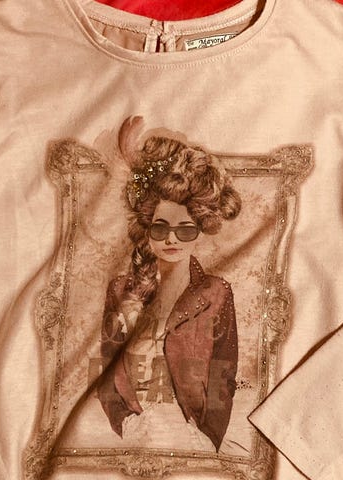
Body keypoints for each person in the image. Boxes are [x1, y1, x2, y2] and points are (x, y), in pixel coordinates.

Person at [97, 119, 242, 452]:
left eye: (186, 230)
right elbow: (105, 372)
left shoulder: (216, 293)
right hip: (135, 434)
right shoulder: (120, 291)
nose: (172, 240)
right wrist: (125, 423)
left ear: (201, 230)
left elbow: (223, 375)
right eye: (161, 229)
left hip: (193, 436)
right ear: (147, 228)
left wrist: (208, 437)